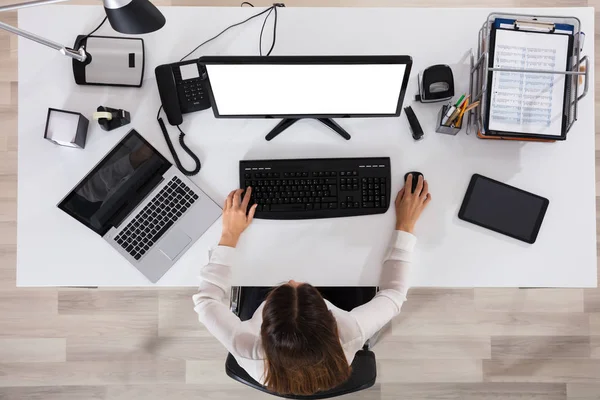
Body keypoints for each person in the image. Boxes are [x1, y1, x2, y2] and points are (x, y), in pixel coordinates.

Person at [192, 174, 431, 396]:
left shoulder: (246, 349)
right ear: (331, 322)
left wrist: (229, 235)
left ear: (263, 330)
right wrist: (405, 226)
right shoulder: (349, 333)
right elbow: (394, 294)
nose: (294, 280)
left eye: (286, 286)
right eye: (301, 287)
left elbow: (206, 302)